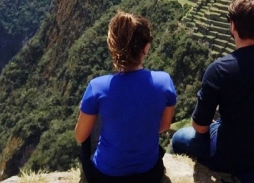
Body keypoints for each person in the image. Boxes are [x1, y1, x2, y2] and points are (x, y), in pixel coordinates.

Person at [171, 0, 254, 181]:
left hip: (230, 158)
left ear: (232, 25)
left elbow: (200, 127)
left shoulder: (218, 70)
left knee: (178, 138)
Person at [75, 11, 177, 183]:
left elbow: (79, 136)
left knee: (91, 121)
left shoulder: (97, 86)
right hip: (150, 173)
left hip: (106, 177)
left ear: (112, 46)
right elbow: (164, 126)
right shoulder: (165, 82)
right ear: (146, 48)